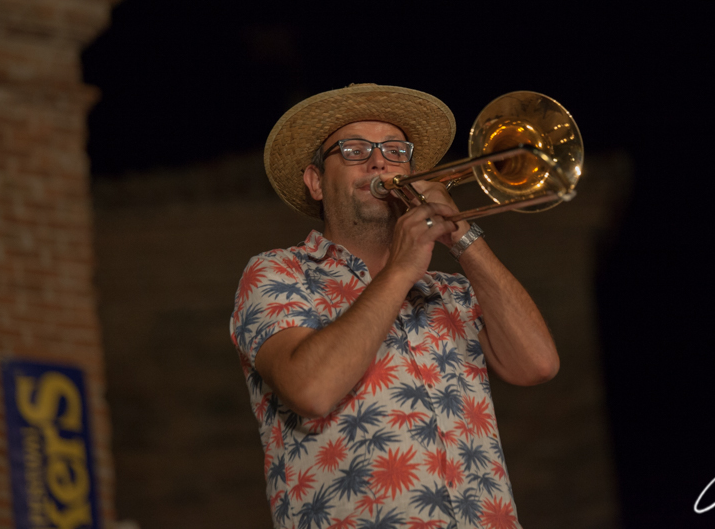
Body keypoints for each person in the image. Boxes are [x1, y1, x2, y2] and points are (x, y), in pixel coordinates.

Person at [230, 83, 560, 529]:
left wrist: (462, 235)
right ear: (316, 182)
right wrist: (402, 268)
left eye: (395, 150)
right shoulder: (278, 272)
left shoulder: (452, 289)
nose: (379, 162)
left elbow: (538, 364)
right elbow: (311, 390)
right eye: (354, 150)